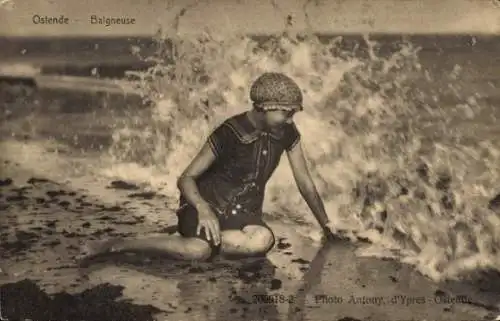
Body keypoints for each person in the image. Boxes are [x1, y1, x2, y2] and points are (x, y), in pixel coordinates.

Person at [81, 72, 337, 261]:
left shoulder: (286, 132)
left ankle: (184, 240)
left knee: (263, 241)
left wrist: (326, 226)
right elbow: (186, 178)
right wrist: (203, 210)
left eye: (293, 113)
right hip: (203, 207)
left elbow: (304, 182)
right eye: (285, 112)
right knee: (198, 252)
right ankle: (120, 244)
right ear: (262, 108)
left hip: (242, 213)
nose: (291, 119)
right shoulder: (229, 132)